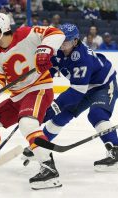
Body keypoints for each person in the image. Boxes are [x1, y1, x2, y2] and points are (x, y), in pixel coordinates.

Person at [0, 12, 65, 190]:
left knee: (27, 124)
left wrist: (44, 50)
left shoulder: (25, 34)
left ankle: (49, 170)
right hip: (17, 96)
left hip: (38, 89)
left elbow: (56, 33)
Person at [23, 23, 118, 171]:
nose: (61, 44)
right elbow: (47, 76)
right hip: (83, 87)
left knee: (96, 114)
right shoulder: (58, 51)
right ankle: (41, 144)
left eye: (66, 40)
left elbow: (76, 93)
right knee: (59, 117)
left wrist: (53, 106)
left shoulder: (82, 58)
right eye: (60, 39)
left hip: (103, 85)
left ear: (75, 41)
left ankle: (116, 151)